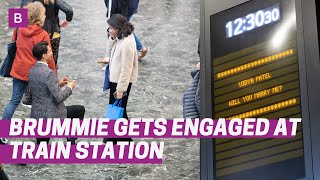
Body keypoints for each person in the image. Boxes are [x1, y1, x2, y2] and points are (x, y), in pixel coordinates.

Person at [1, 2, 56, 121]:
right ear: (39, 17)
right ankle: (38, 131)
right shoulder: (43, 34)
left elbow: (13, 45)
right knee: (40, 102)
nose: (45, 16)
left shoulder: (19, 28)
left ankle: (2, 132)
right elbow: (48, 57)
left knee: (14, 101)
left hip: (19, 70)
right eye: (43, 14)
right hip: (37, 73)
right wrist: (54, 75)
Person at [29, 41, 85, 145]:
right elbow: (59, 97)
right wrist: (69, 88)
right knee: (79, 110)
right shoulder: (49, 73)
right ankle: (71, 139)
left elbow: (40, 89)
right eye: (50, 51)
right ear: (44, 55)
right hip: (51, 114)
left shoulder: (32, 70)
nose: (52, 53)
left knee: (41, 146)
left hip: (37, 114)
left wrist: (58, 84)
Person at [21, 0, 74, 107]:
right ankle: (51, 91)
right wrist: (68, 20)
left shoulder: (27, 2)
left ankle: (29, 96)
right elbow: (69, 10)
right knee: (50, 63)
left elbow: (18, 16)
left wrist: (20, 31)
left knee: (31, 61)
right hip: (52, 33)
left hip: (30, 33)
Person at [103, 14, 138, 144]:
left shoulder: (127, 43)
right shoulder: (120, 38)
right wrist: (112, 38)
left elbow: (126, 69)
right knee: (117, 109)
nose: (109, 30)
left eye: (111, 28)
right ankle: (118, 138)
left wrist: (121, 89)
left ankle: (119, 139)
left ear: (118, 28)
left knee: (118, 109)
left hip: (120, 82)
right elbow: (108, 52)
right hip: (115, 80)